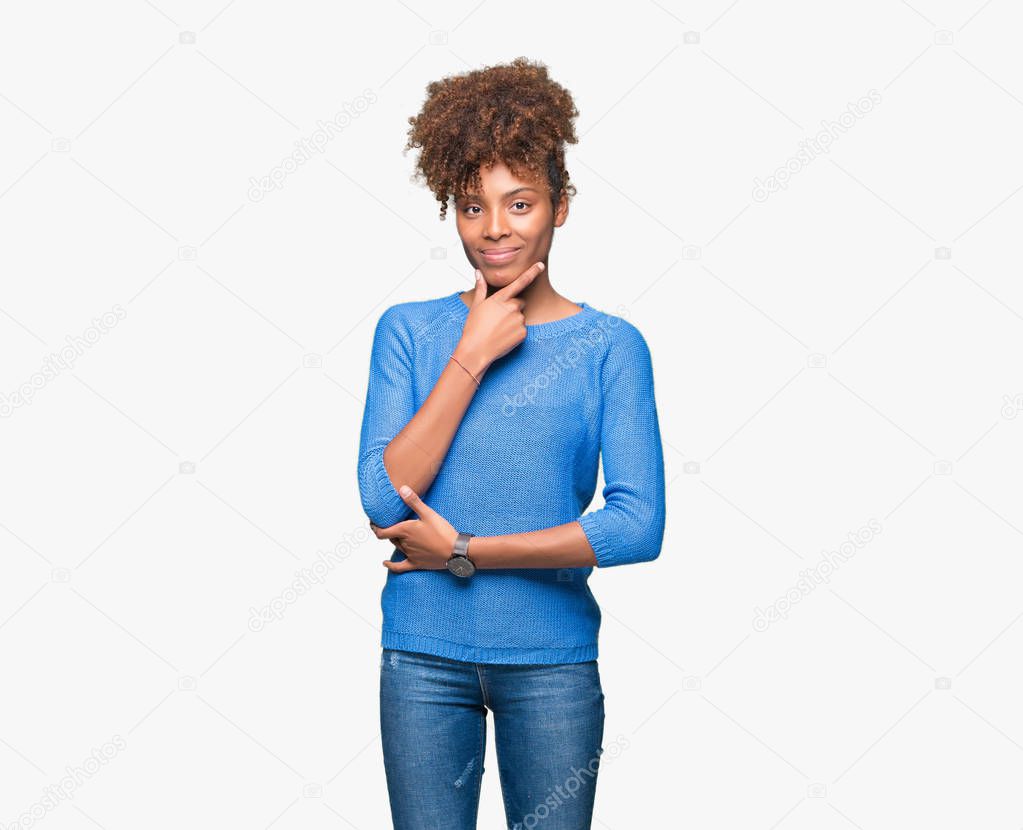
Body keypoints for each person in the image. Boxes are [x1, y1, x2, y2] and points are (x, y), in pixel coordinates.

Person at [357, 56, 666, 830]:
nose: (493, 228)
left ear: (560, 206)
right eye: (470, 206)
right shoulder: (410, 331)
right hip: (421, 660)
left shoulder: (608, 346)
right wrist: (472, 352)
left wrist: (463, 549)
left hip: (552, 665)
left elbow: (636, 526)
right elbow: (379, 493)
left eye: (519, 201)